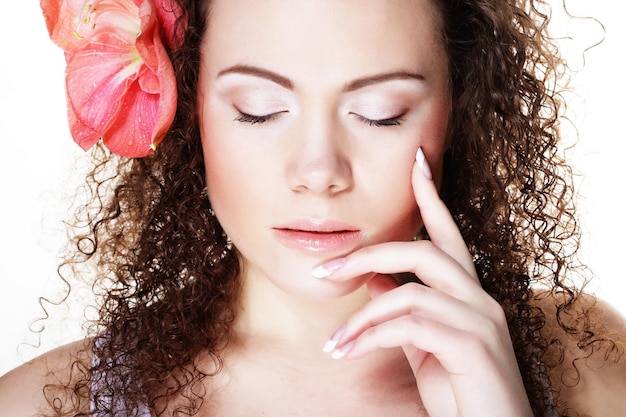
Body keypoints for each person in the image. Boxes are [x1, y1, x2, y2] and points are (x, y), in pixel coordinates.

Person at [1, 0, 625, 415]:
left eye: (381, 113)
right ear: (187, 108)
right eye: (258, 109)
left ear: (459, 108)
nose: (319, 172)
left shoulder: (586, 359)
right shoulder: (44, 404)